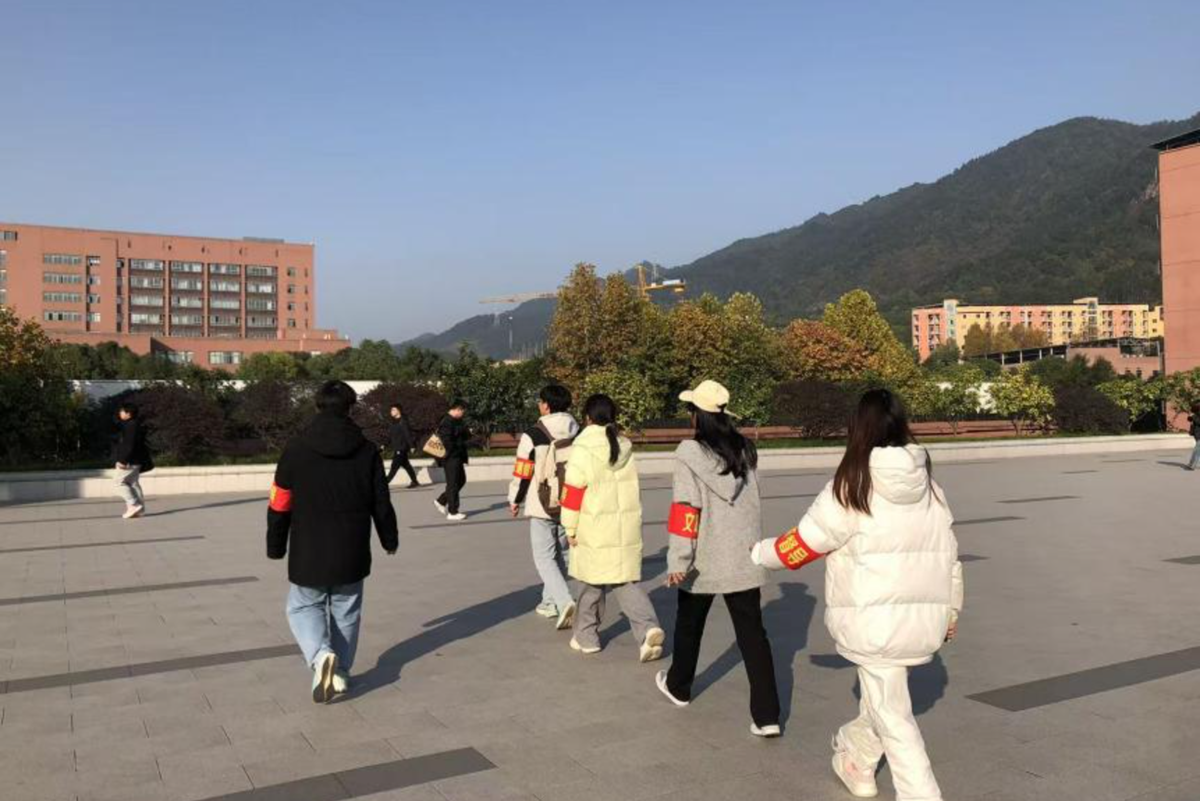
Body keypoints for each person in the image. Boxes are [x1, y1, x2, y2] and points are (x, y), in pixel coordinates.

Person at [752, 389, 963, 801]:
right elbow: (951, 556)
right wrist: (951, 611)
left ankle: (921, 794)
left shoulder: (853, 485)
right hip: (922, 623)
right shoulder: (930, 488)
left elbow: (803, 544)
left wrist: (757, 553)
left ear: (859, 427)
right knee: (883, 701)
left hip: (873, 623)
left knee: (894, 716)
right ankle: (858, 764)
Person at [655, 380, 781, 738]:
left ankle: (679, 686)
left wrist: (679, 560)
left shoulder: (688, 453)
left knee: (689, 624)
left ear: (697, 415)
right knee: (753, 636)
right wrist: (752, 548)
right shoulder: (745, 450)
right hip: (742, 555)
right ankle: (767, 716)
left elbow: (685, 508)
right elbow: (753, 503)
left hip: (705, 557)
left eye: (690, 410)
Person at [267, 380, 399, 704]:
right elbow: (381, 501)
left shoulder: (296, 448)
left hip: (308, 547)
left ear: (318, 406)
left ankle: (320, 655)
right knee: (346, 611)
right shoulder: (367, 450)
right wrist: (389, 538)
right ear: (350, 408)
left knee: (303, 605)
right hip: (352, 546)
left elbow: (280, 501)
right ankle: (339, 673)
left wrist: (276, 544)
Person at [560, 394, 665, 661]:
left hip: (593, 526)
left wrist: (569, 528)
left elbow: (572, 493)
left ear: (587, 418)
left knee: (590, 584)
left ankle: (586, 637)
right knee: (625, 581)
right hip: (624, 527)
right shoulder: (624, 446)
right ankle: (647, 629)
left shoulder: (583, 448)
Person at [508, 384, 579, 629]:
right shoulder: (578, 431)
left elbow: (523, 472)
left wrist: (515, 499)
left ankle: (564, 601)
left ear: (546, 405)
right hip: (570, 501)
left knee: (544, 557)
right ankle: (549, 602)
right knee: (560, 553)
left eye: (540, 401)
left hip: (542, 502)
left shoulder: (533, 434)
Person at [113, 401, 153, 519]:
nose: (120, 413)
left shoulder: (131, 426)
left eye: (122, 411)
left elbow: (129, 445)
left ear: (128, 413)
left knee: (118, 483)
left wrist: (123, 460)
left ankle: (133, 505)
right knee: (133, 483)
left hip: (129, 461)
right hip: (137, 460)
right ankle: (140, 509)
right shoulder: (136, 425)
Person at [434, 400, 471, 521]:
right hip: (450, 457)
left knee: (461, 480)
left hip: (457, 456)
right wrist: (461, 444)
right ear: (458, 409)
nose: (463, 414)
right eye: (463, 411)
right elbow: (447, 441)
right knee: (453, 484)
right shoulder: (447, 421)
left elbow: (463, 435)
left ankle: (441, 500)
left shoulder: (456, 421)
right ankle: (453, 512)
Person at [385, 403, 420, 487]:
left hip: (401, 448)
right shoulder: (393, 422)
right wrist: (384, 444)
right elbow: (390, 436)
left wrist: (412, 446)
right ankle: (414, 481)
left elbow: (407, 434)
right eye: (391, 410)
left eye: (393, 410)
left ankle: (384, 483)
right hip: (397, 447)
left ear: (398, 411)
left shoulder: (403, 422)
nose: (391, 412)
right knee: (406, 465)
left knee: (394, 466)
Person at [1187, 403, 1200, 470]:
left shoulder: (1194, 416)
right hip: (1198, 434)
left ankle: (1191, 464)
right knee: (1197, 450)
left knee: (1197, 450)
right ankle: (1191, 464)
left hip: (1197, 434)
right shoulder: (1195, 416)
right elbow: (1191, 420)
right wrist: (1191, 416)